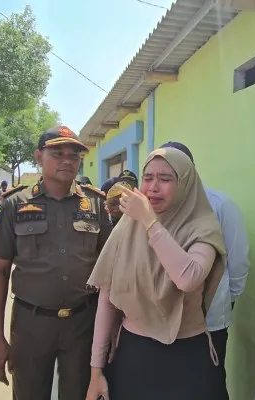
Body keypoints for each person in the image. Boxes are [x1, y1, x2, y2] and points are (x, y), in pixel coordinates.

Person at [86, 147, 227, 400]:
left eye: (165, 179)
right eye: (148, 177)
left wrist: (151, 223)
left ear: (185, 183)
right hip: (134, 353)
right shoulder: (127, 227)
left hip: (187, 357)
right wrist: (96, 371)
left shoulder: (203, 227)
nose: (153, 187)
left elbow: (188, 278)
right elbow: (107, 299)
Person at [0, 125, 112, 400]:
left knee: (80, 394)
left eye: (74, 155)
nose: (67, 160)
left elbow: (111, 269)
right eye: (57, 153)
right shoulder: (14, 204)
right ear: (39, 156)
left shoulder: (96, 204)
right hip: (32, 323)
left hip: (83, 322)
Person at [160, 141, 250, 399]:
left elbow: (238, 260)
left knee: (208, 386)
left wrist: (223, 302)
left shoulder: (220, 205)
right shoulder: (154, 209)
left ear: (191, 170)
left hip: (209, 320)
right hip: (164, 321)